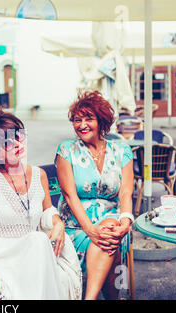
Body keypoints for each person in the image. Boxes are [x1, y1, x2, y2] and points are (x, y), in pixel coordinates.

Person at [0, 107, 82, 300]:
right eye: (6, 143)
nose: (16, 144)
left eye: (17, 136)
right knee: (38, 242)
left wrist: (58, 223)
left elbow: (49, 210)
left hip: (29, 254)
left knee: (38, 241)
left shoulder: (40, 175)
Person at [55, 91, 134, 300]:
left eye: (88, 118)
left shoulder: (122, 151)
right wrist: (91, 231)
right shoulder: (66, 150)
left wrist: (126, 220)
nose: (82, 125)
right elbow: (69, 195)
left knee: (111, 231)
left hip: (112, 220)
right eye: (77, 120)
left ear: (102, 121)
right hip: (76, 225)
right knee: (108, 241)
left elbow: (126, 191)